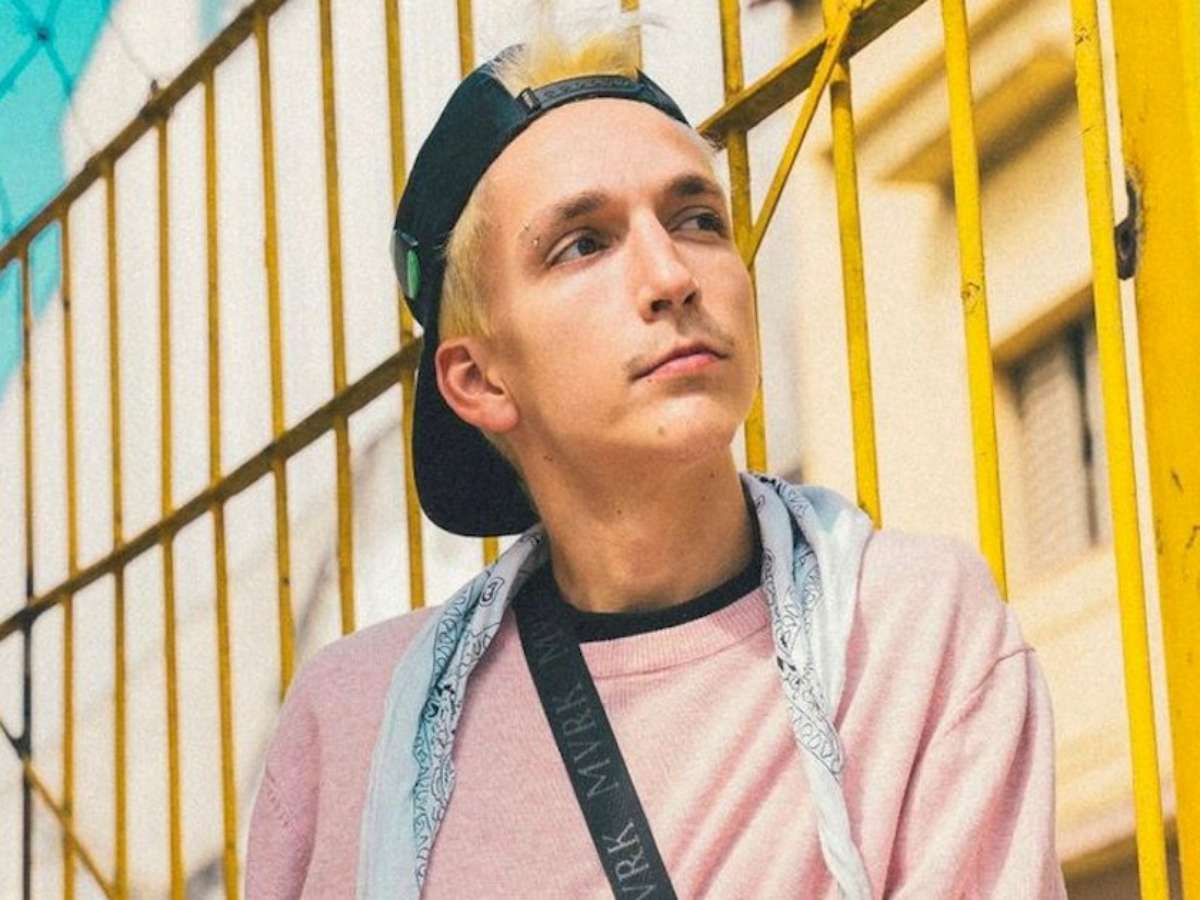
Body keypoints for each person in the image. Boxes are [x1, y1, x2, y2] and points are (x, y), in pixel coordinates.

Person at [245, 11, 1067, 899]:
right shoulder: (355, 726)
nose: (672, 276)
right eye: (583, 244)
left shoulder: (910, 633)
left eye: (698, 219)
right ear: (479, 379)